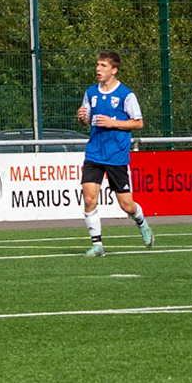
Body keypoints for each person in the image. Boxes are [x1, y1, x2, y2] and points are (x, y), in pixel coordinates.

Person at [76, 49, 153, 256]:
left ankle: (141, 222)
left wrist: (113, 123)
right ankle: (97, 245)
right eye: (97, 65)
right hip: (94, 153)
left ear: (114, 70)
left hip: (116, 155)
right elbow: (86, 120)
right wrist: (82, 117)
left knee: (126, 205)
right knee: (89, 199)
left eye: (103, 65)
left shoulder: (125, 95)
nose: (98, 69)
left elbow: (138, 123)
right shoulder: (90, 93)